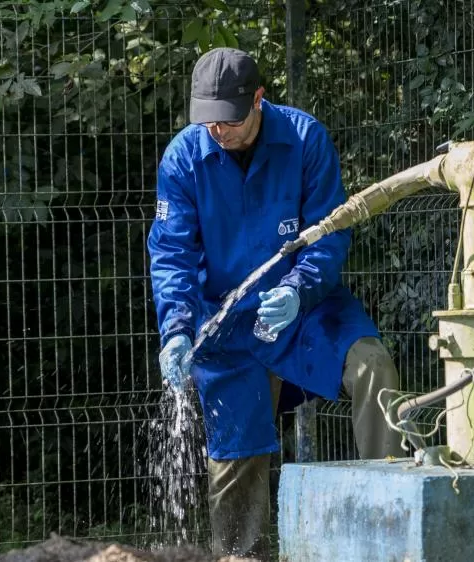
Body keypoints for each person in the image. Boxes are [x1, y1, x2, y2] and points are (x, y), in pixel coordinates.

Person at [146, 47, 407, 558]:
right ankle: (239, 556)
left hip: (306, 307)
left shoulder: (306, 139)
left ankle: (395, 519)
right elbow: (171, 253)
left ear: (259, 100)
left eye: (229, 120)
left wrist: (298, 289)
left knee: (373, 367)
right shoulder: (183, 156)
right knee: (236, 459)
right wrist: (176, 328)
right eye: (207, 121)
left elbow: (330, 235)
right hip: (225, 321)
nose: (218, 131)